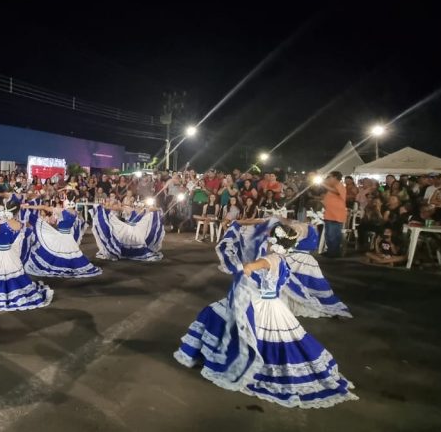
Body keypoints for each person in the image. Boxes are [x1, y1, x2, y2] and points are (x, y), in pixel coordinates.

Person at [173, 222, 357, 408]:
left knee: (216, 317)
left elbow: (251, 267)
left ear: (274, 240)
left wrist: (244, 266)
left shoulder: (271, 259)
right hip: (270, 304)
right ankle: (208, 355)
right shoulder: (282, 258)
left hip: (258, 304)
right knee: (219, 317)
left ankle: (219, 360)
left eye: (269, 236)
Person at [21, 201, 102, 278]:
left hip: (61, 236)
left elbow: (44, 207)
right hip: (69, 237)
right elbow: (80, 222)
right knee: (70, 255)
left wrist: (28, 206)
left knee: (57, 253)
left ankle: (61, 266)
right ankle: (70, 267)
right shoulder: (75, 212)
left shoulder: (62, 211)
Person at [92, 198, 164, 261]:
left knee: (147, 220)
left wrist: (147, 209)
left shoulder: (127, 208)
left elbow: (138, 213)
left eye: (114, 203)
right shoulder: (110, 213)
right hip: (124, 228)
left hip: (131, 228)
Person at [321, 171, 347, 258]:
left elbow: (336, 192)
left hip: (336, 216)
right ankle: (330, 251)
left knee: (334, 235)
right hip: (329, 215)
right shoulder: (330, 188)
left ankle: (335, 253)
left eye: (330, 177)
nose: (328, 178)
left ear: (335, 178)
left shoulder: (340, 185)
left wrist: (324, 184)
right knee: (328, 235)